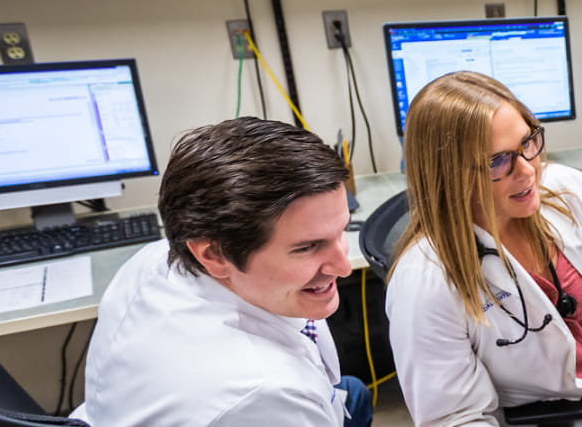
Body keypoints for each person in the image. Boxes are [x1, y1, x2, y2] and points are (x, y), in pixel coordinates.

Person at [72, 117, 371, 426]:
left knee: (354, 392)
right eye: (307, 247)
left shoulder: (157, 256)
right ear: (214, 254)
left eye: (342, 231)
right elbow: (271, 397)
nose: (344, 267)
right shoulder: (267, 395)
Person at [385, 71, 582, 425]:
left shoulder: (565, 190)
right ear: (449, 174)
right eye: (497, 161)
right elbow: (456, 418)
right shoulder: (425, 282)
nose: (527, 171)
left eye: (527, 143)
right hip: (563, 413)